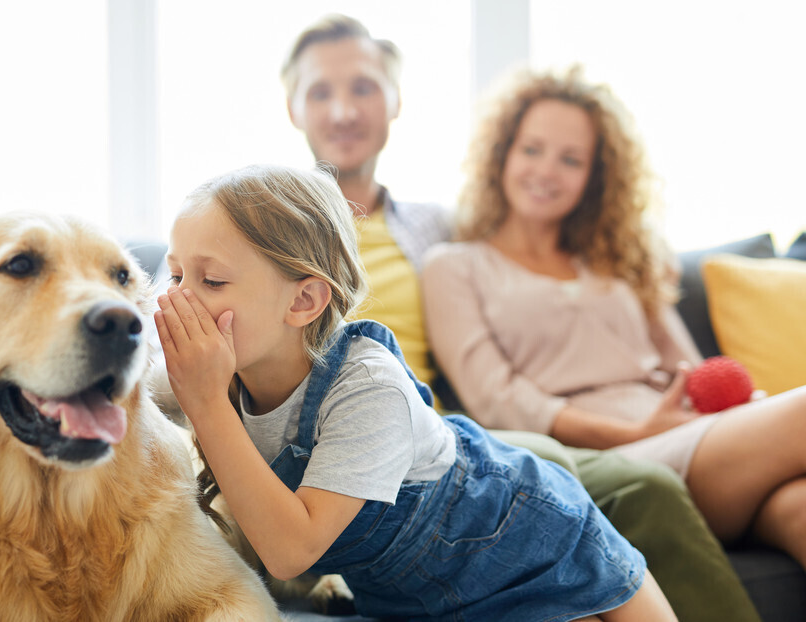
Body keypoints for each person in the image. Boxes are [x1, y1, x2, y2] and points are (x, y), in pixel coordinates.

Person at [280, 14, 761, 621]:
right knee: (600, 477)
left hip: (445, 437)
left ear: (396, 101)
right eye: (321, 92)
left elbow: (515, 247)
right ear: (293, 108)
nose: (344, 110)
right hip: (358, 444)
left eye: (364, 88)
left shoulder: (435, 228)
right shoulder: (270, 229)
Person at [155, 163, 675, 621]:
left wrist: (207, 403)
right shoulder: (209, 373)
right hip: (411, 597)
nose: (178, 300)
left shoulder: (368, 388)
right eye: (175, 275)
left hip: (528, 539)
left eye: (212, 281)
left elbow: (291, 552)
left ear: (303, 301)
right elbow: (123, 406)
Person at [421, 65, 806, 571]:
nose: (546, 171)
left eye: (571, 159)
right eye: (532, 149)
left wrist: (741, 412)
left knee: (799, 507)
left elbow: (689, 370)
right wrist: (636, 433)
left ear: (595, 176)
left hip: (691, 439)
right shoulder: (454, 266)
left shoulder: (618, 261)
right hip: (610, 460)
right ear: (502, 154)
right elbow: (498, 400)